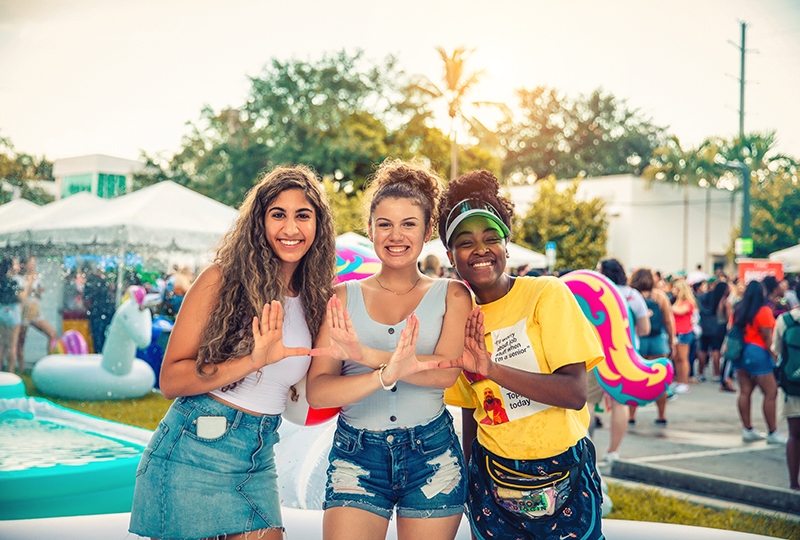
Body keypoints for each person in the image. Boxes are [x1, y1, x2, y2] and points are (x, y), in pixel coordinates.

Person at [129, 165, 337, 540]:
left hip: (259, 455)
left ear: (318, 226)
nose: (291, 229)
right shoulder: (220, 280)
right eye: (278, 215)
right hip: (194, 453)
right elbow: (171, 379)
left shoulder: (315, 299)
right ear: (259, 222)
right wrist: (252, 361)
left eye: (302, 215)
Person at [306, 159, 472, 540]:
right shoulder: (340, 297)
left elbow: (446, 371)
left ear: (428, 230)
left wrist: (364, 357)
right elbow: (319, 390)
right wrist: (389, 373)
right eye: (384, 224)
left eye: (408, 224)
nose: (396, 235)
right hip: (357, 455)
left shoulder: (453, 294)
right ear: (370, 229)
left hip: (432, 455)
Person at [436, 170, 605, 540]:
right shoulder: (457, 317)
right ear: (451, 255)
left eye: (491, 238)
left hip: (564, 474)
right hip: (493, 480)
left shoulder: (546, 294)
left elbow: (574, 393)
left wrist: (491, 369)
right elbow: (471, 409)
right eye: (465, 242)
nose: (480, 249)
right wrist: (467, 477)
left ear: (506, 246)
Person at [593, 258, 649, 461]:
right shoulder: (632, 295)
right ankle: (613, 451)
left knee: (588, 402)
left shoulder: (594, 292)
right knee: (620, 403)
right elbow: (645, 329)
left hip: (595, 353)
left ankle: (585, 451)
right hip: (624, 354)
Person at [733, 280, 788, 445]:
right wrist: (776, 356)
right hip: (758, 353)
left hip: (740, 352)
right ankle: (773, 432)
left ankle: (747, 429)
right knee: (771, 393)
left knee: (744, 392)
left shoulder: (738, 309)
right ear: (761, 293)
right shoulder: (763, 311)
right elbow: (767, 338)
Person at [629, 267, 676, 426]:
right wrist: (671, 341)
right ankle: (661, 415)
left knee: (635, 380)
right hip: (657, 341)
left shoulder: (631, 296)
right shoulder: (660, 296)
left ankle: (631, 416)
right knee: (659, 380)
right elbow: (668, 321)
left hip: (638, 342)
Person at [772, 302, 800, 490]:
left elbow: (776, 350)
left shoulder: (785, 320)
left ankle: (793, 483)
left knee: (795, 435)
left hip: (793, 386)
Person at [15, 256, 58, 363]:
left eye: (34, 263)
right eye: (31, 263)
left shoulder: (36, 277)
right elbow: (23, 296)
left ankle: (50, 362)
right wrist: (30, 281)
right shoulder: (19, 279)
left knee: (52, 334)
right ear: (24, 265)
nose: (33, 266)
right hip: (24, 310)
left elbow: (38, 296)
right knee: (21, 341)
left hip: (35, 310)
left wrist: (39, 290)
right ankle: (21, 368)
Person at [1, 258, 34, 373]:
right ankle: (10, 373)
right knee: (12, 345)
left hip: (1, 311)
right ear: (10, 267)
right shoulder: (13, 282)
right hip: (13, 311)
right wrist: (28, 284)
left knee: (1, 346)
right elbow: (22, 298)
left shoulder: (1, 280)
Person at [697, 282, 732, 384]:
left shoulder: (706, 297)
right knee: (716, 351)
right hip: (717, 328)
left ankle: (700, 373)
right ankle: (716, 374)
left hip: (705, 327)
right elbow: (728, 316)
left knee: (703, 351)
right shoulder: (723, 300)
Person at [671, 279, 697, 394]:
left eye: (675, 289)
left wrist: (667, 306)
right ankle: (678, 380)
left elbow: (680, 311)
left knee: (683, 358)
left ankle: (684, 382)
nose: (673, 291)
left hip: (684, 332)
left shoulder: (689, 302)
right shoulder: (677, 301)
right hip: (676, 332)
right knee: (676, 358)